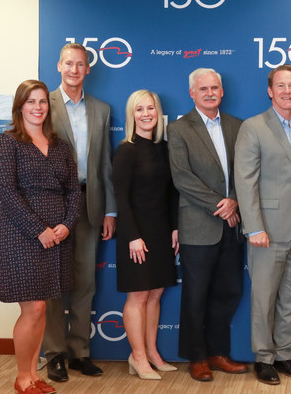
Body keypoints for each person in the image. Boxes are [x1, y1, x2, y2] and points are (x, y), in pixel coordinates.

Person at [234, 64, 291, 385]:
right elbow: (245, 182)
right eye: (280, 86)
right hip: (267, 230)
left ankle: (284, 354)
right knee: (264, 296)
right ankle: (263, 358)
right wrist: (254, 227)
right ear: (270, 91)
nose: (287, 91)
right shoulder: (253, 127)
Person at [0, 80, 81, 394]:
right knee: (34, 308)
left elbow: (73, 191)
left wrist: (67, 224)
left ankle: (32, 375)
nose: (38, 107)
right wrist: (37, 230)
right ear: (20, 106)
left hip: (57, 236)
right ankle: (22, 377)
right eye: (31, 101)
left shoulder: (59, 146)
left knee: (43, 306)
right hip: (19, 234)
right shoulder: (5, 143)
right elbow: (7, 193)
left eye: (43, 101)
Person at [167, 68, 247, 381]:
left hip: (233, 222)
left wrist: (234, 200)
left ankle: (218, 353)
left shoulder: (236, 126)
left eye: (215, 88)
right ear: (192, 93)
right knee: (196, 295)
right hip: (198, 225)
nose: (210, 93)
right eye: (204, 89)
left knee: (228, 292)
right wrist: (220, 205)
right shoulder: (179, 128)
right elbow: (182, 177)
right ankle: (197, 357)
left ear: (222, 91)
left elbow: (246, 171)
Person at [44, 42, 117, 382]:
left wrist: (110, 212)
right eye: (68, 64)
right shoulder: (43, 104)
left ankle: (79, 352)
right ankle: (55, 353)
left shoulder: (102, 110)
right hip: (53, 208)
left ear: (88, 69)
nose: (74, 70)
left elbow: (105, 166)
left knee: (85, 283)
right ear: (59, 66)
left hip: (91, 205)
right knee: (55, 284)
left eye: (80, 65)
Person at [112, 90, 179, 380]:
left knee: (155, 294)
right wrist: (132, 236)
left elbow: (172, 194)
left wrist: (175, 227)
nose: (146, 114)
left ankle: (152, 353)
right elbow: (121, 198)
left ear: (158, 111)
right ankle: (137, 357)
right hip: (135, 233)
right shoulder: (126, 150)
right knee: (138, 296)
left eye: (150, 108)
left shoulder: (164, 148)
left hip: (161, 231)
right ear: (132, 115)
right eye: (139, 110)